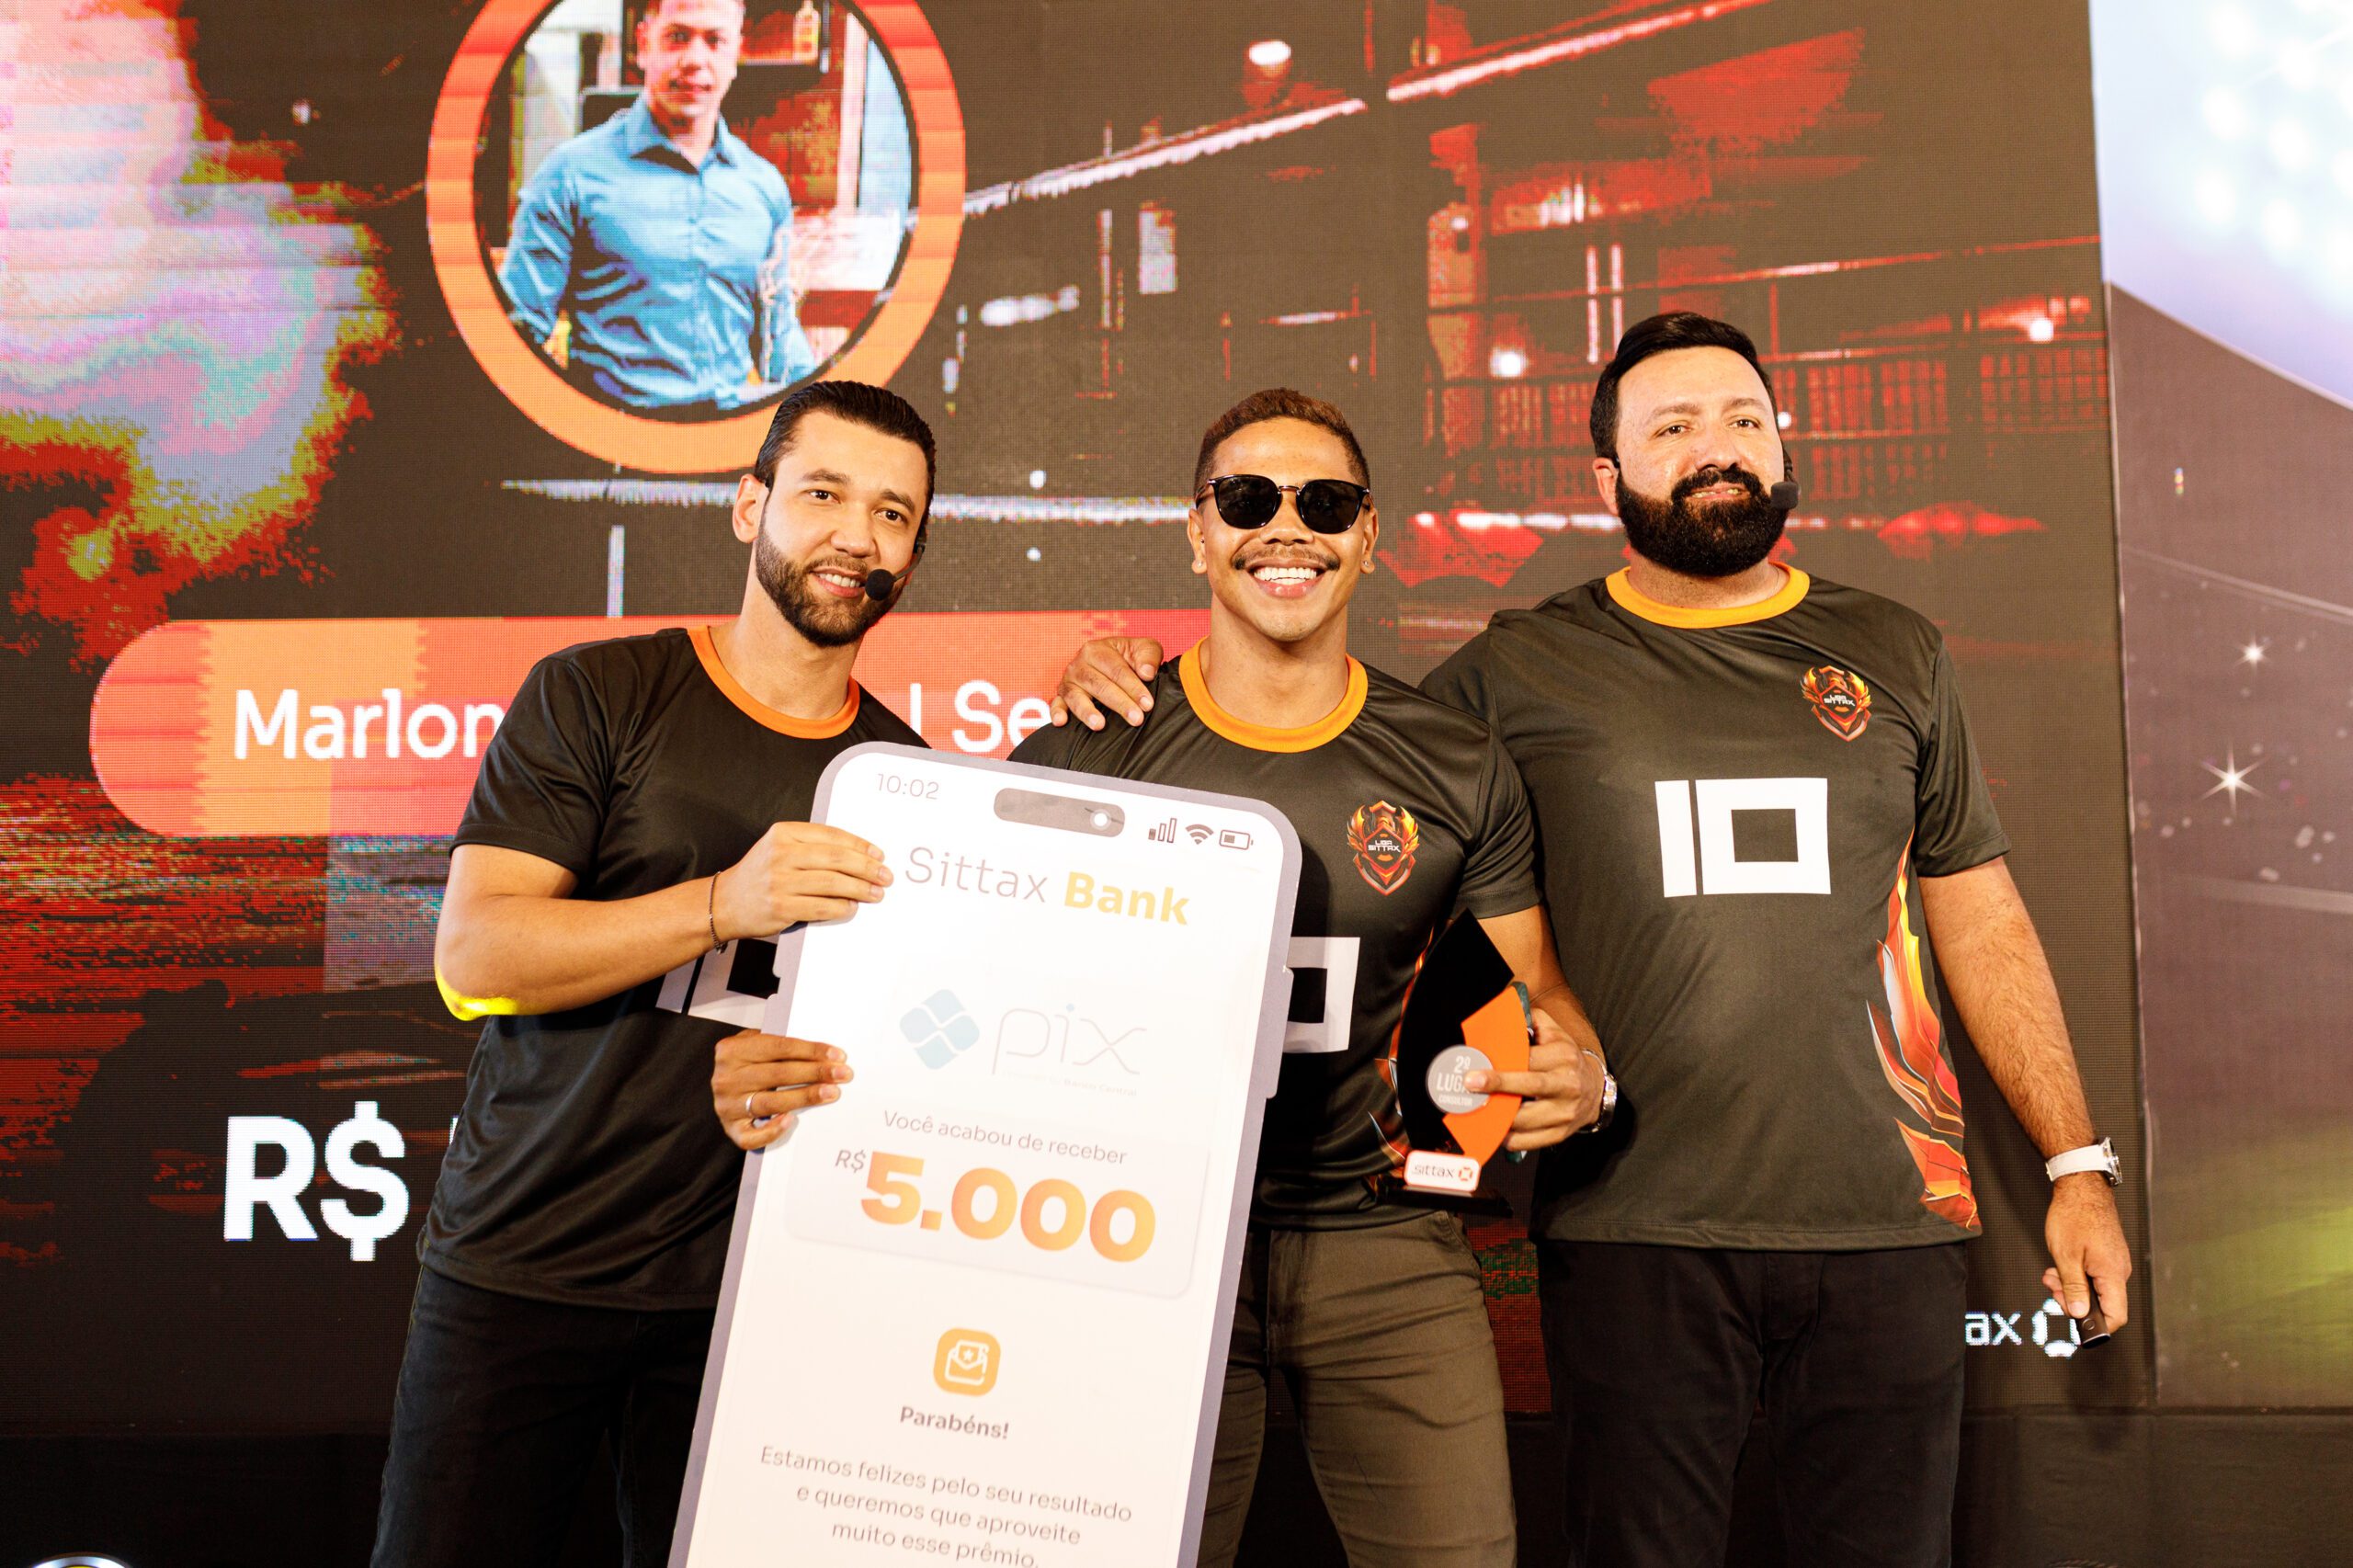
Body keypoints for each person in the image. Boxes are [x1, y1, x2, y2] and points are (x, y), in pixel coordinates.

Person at [1051, 314, 2132, 1566]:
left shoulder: (1899, 651)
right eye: (1673, 426)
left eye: (1743, 419)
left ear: (1783, 449)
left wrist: (2074, 1163)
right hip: (1630, 1232)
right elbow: (1326, 744)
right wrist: (1120, 673)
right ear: (1608, 476)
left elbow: (1982, 915)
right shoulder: (1513, 672)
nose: (1717, 446)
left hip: (1892, 1222)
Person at [1012, 389, 1607, 1568]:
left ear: (1368, 534)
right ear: (1197, 531)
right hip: (1139, 1240)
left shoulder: (1451, 759)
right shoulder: (1090, 747)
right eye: (1247, 498)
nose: (1286, 527)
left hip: (1386, 1240)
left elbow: (1535, 992)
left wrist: (1581, 1069)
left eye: (1324, 502)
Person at [372, 380, 931, 1567]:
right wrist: (723, 901)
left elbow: (903, 1056)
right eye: (823, 495)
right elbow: (476, 957)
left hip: (753, 1299)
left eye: (893, 514)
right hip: (526, 1264)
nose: (856, 535)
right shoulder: (598, 693)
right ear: (750, 506)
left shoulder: (908, 781)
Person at [498, 0, 818, 414]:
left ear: (735, 54)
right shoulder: (568, 175)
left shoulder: (764, 187)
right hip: (612, 439)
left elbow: (779, 337)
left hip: (731, 438)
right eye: (678, 37)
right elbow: (514, 338)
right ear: (643, 44)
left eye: (714, 40)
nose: (695, 60)